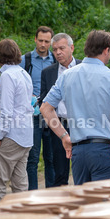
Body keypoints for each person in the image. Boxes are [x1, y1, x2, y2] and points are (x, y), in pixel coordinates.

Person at [40, 30, 110, 185]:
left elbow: (45, 109)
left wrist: (64, 136)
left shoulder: (66, 75)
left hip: (78, 152)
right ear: (106, 50)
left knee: (83, 198)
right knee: (104, 198)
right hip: (104, 150)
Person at [0, 39, 33, 199]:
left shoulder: (7, 76)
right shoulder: (24, 74)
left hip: (12, 134)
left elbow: (7, 110)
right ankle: (22, 211)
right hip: (26, 134)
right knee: (20, 183)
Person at [37, 33, 80, 186]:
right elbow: (44, 100)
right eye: (55, 50)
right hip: (59, 125)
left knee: (82, 167)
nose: (58, 52)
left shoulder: (84, 68)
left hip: (82, 123)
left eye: (62, 48)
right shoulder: (48, 72)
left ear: (71, 48)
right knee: (60, 171)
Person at [24, 27, 55, 189]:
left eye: (47, 41)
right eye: (40, 40)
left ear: (51, 42)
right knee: (32, 158)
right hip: (33, 115)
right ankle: (32, 193)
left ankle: (53, 193)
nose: (43, 44)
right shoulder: (25, 60)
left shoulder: (56, 60)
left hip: (52, 114)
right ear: (35, 39)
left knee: (52, 157)